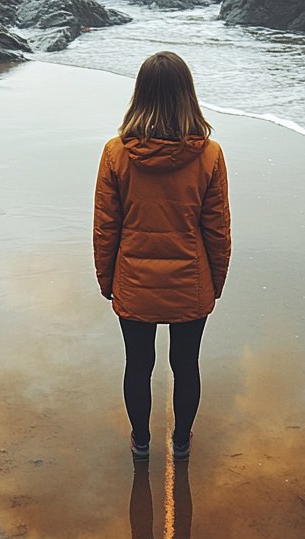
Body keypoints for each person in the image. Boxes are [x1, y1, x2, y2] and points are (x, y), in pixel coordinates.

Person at [93, 51, 231, 462]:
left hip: (134, 282)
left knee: (138, 365)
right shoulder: (209, 155)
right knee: (186, 365)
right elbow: (218, 231)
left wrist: (107, 282)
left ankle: (140, 443)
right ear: (188, 95)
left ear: (140, 94)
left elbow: (106, 229)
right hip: (190, 281)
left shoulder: (116, 153)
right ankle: (182, 444)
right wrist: (214, 285)